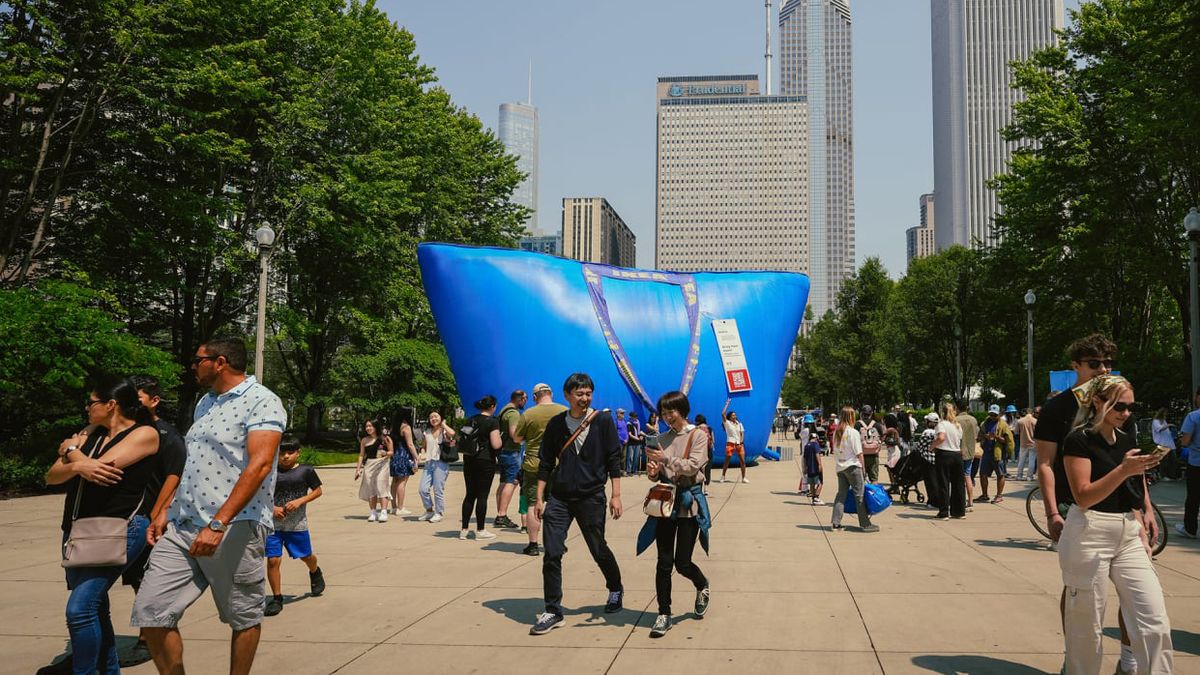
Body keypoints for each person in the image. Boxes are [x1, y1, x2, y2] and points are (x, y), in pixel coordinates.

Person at [131, 337, 286, 675]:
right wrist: (166, 509)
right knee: (151, 612)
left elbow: (259, 465)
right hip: (183, 526)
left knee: (243, 617)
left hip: (234, 527)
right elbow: (194, 462)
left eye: (197, 359)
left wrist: (218, 524)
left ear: (219, 363)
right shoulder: (206, 403)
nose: (192, 365)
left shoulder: (262, 402)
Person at [1034, 333, 1148, 674]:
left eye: (1108, 363)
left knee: (1135, 591)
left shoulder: (1119, 402)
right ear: (1076, 366)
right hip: (1078, 506)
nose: (1103, 369)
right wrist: (1053, 512)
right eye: (1095, 363)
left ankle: (1128, 659)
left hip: (1125, 509)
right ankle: (1076, 658)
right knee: (1079, 591)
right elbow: (1044, 463)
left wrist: (1145, 509)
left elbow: (1134, 460)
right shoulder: (1059, 407)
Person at [45, 377, 159, 675]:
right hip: (79, 529)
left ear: (111, 405)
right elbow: (52, 476)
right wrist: (76, 461)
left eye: (92, 402)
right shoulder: (90, 433)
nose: (86, 407)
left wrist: (71, 452)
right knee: (95, 608)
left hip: (121, 529)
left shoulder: (144, 434)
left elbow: (100, 469)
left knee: (79, 610)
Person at [1059, 375, 1173, 674]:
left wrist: (1144, 511)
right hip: (1089, 531)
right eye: (1119, 406)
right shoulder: (1079, 439)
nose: (1126, 413)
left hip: (1127, 531)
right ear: (1098, 401)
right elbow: (1083, 496)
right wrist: (1123, 470)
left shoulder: (1126, 438)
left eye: (1130, 407)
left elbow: (1134, 484)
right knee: (1086, 625)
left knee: (1154, 619)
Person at [530, 373, 624, 636]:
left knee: (598, 548)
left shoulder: (603, 420)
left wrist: (615, 494)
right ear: (567, 396)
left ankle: (615, 588)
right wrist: (539, 498)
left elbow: (614, 459)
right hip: (559, 497)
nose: (584, 398)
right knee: (552, 552)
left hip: (591, 496)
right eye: (579, 394)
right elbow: (546, 461)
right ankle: (553, 610)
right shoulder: (557, 424)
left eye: (588, 393)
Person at [117, 376, 188, 667]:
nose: (131, 406)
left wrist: (157, 514)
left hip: (151, 519)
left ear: (154, 401)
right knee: (132, 578)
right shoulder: (126, 431)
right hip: (124, 518)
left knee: (148, 581)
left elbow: (176, 476)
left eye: (138, 399)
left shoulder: (167, 435)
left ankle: (148, 638)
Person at [642, 391, 711, 638]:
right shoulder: (661, 438)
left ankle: (702, 584)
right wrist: (652, 469)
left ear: (682, 410)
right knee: (663, 562)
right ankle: (664, 613)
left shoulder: (698, 435)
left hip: (688, 505)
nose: (667, 417)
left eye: (671, 412)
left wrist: (666, 458)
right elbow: (659, 471)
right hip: (665, 504)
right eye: (663, 412)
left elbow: (693, 466)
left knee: (682, 563)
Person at [264, 437, 325, 617]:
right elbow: (259, 495)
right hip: (273, 525)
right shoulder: (269, 472)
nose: (286, 456)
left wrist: (300, 501)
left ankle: (315, 571)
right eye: (282, 453)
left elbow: (318, 491)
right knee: (273, 560)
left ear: (298, 452)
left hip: (296, 525)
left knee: (306, 556)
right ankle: (277, 598)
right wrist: (272, 508)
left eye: (290, 452)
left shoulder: (305, 471)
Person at [512, 383, 568, 556]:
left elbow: (517, 438)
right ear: (551, 393)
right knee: (557, 506)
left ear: (535, 397)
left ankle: (533, 544)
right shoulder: (565, 411)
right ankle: (556, 543)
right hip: (559, 464)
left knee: (532, 504)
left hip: (533, 465)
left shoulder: (529, 414)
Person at [829, 406, 879, 532]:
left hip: (840, 467)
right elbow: (859, 453)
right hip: (853, 466)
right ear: (851, 417)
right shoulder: (853, 432)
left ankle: (836, 522)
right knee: (859, 496)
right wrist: (863, 469)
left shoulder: (837, 432)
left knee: (841, 495)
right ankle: (865, 524)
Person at [460, 395, 503, 540]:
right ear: (492, 407)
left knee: (470, 494)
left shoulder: (470, 419)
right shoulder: (493, 421)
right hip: (485, 460)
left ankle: (464, 529)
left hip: (469, 458)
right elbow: (496, 444)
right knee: (482, 496)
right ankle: (480, 530)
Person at [494, 390, 526, 529]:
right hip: (511, 452)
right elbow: (514, 434)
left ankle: (500, 512)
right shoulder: (513, 413)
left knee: (503, 482)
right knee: (511, 482)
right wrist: (525, 439)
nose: (525, 401)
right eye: (525, 398)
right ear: (519, 399)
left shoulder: (503, 410)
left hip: (502, 452)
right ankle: (502, 515)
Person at [418, 411, 456, 524]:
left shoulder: (444, 431)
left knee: (438, 490)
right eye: (431, 417)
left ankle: (439, 513)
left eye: (436, 416)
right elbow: (423, 446)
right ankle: (429, 510)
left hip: (441, 463)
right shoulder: (427, 432)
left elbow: (452, 433)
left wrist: (443, 424)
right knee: (422, 489)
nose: (433, 419)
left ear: (441, 417)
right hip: (428, 463)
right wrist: (422, 453)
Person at [355, 419, 393, 522]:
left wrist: (386, 453)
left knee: (381, 486)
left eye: (370, 426)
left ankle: (384, 512)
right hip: (369, 465)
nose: (368, 428)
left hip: (382, 464)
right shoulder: (364, 440)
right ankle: (373, 512)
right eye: (366, 426)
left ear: (376, 426)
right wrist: (358, 469)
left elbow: (391, 452)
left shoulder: (385, 438)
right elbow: (361, 455)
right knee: (370, 488)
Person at [933, 401, 965, 520]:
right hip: (956, 454)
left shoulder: (942, 424)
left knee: (943, 483)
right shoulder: (957, 425)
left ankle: (944, 512)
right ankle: (959, 511)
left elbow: (941, 437)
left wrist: (932, 446)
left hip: (944, 454)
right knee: (958, 484)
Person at [977, 405, 1013, 504]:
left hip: (999, 453)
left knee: (1000, 475)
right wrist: (985, 436)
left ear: (999, 414)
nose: (992, 416)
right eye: (991, 414)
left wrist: (996, 437)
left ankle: (999, 495)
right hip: (987, 453)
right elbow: (979, 437)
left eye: (994, 415)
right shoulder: (985, 423)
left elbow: (1007, 440)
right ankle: (984, 495)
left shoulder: (1003, 425)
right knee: (983, 474)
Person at [1176, 388, 1200, 538]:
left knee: (1193, 497)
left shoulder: (1193, 416)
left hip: (1197, 463)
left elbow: (1185, 441)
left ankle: (1190, 529)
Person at [388, 409, 419, 516]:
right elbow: (410, 444)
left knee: (394, 482)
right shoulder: (406, 427)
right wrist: (416, 457)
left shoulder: (394, 427)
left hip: (394, 456)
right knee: (402, 482)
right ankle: (400, 508)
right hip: (404, 456)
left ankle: (393, 507)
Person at [955, 403, 980, 513]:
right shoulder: (973, 420)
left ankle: (958, 501)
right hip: (970, 451)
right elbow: (976, 435)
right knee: (967, 476)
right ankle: (970, 501)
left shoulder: (955, 420)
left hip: (957, 451)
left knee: (956, 478)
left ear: (957, 408)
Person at [720, 398, 748, 483]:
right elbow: (722, 414)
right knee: (727, 461)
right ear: (730, 417)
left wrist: (742, 442)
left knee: (742, 461)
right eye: (732, 415)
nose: (734, 416)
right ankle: (723, 476)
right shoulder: (727, 423)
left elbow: (742, 433)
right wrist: (727, 404)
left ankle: (743, 478)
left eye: (735, 415)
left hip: (739, 444)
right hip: (730, 443)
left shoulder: (739, 424)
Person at [856, 406, 884, 483]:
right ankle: (873, 494)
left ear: (862, 413)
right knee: (874, 479)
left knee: (860, 479)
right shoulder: (877, 425)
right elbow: (882, 436)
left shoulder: (857, 424)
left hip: (861, 455)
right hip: (874, 455)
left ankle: (862, 494)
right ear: (871, 413)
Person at [1014, 407, 1039, 481]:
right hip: (1033, 443)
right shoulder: (1035, 421)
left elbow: (1016, 432)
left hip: (1023, 443)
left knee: (1021, 460)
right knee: (1032, 461)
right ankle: (1029, 476)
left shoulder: (1020, 421)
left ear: (1025, 413)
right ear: (1032, 413)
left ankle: (1019, 475)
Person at [695, 414, 716, 493]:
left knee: (699, 469)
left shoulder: (696, 428)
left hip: (699, 451)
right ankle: (706, 488)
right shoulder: (709, 428)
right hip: (708, 450)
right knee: (707, 469)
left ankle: (699, 487)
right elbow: (713, 440)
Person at [803, 433, 824, 504]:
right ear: (815, 438)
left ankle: (813, 497)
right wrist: (820, 464)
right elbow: (817, 455)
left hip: (809, 467)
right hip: (815, 467)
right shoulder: (816, 445)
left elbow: (805, 458)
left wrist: (805, 467)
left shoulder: (806, 446)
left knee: (811, 483)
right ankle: (816, 497)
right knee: (820, 483)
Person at [625, 412, 645, 477]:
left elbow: (640, 431)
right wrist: (637, 438)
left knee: (636, 457)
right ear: (630, 417)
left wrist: (643, 436)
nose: (635, 418)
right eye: (634, 416)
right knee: (630, 457)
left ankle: (634, 470)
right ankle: (629, 471)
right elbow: (630, 434)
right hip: (631, 443)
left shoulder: (638, 422)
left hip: (638, 443)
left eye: (636, 416)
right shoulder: (629, 424)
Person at [615, 408, 630, 475]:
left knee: (624, 456)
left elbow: (626, 431)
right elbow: (616, 433)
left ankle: (622, 471)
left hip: (625, 442)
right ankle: (617, 471)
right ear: (618, 414)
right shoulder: (616, 422)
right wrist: (622, 440)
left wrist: (627, 439)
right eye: (622, 413)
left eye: (623, 413)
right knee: (618, 457)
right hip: (619, 442)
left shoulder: (624, 421)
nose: (623, 414)